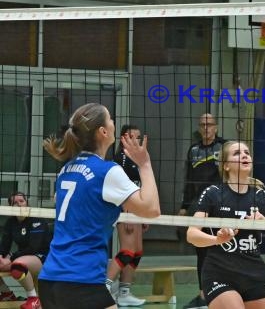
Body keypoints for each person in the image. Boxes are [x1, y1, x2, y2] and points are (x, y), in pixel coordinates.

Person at [38, 103, 160, 309]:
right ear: (103, 131)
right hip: (81, 279)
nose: (114, 122)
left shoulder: (66, 169)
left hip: (50, 278)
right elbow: (152, 209)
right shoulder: (107, 171)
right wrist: (145, 165)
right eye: (110, 119)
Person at [186, 140, 265, 309]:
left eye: (247, 153)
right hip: (220, 273)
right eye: (237, 153)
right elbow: (192, 235)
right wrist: (216, 239)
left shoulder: (261, 196)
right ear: (226, 166)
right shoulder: (213, 194)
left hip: (254, 275)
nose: (244, 155)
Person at [179, 113, 225, 309]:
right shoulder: (194, 150)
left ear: (216, 127)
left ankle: (222, 293)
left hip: (220, 205)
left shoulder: (225, 147)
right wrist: (183, 206)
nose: (206, 128)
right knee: (201, 251)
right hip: (199, 207)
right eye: (202, 125)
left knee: (221, 250)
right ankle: (203, 295)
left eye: (210, 124)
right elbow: (189, 181)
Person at [105, 124, 148, 306]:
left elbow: (140, 187)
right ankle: (104, 287)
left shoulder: (136, 157)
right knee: (127, 250)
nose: (136, 141)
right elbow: (120, 188)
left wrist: (143, 214)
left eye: (138, 137)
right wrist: (128, 212)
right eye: (133, 137)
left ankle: (124, 292)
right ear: (124, 138)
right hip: (126, 210)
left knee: (137, 252)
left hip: (137, 209)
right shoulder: (121, 158)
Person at [0, 192, 51, 309]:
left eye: (21, 201)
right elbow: (4, 247)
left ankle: (33, 298)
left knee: (18, 266)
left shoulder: (36, 219)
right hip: (23, 255)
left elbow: (34, 247)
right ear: (10, 207)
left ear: (27, 203)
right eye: (15, 203)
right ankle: (6, 293)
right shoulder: (11, 222)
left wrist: (11, 258)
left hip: (42, 257)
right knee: (10, 263)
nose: (19, 205)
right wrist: (1, 256)